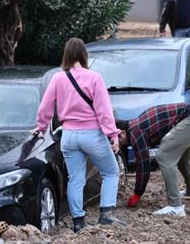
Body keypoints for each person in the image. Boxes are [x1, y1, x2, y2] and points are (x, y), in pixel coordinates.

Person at [33, 38, 124, 233]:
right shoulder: (94, 78)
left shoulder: (58, 78)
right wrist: (113, 134)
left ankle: (78, 221)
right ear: (84, 55)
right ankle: (106, 214)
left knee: (75, 179)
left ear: (66, 55)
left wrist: (41, 128)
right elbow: (104, 110)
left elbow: (45, 107)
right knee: (110, 171)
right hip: (92, 134)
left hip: (69, 136)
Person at [118, 104, 190, 217]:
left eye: (114, 139)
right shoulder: (136, 125)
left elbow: (143, 164)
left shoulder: (135, 133)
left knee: (164, 156)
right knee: (181, 156)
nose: (116, 144)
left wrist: (137, 193)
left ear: (122, 133)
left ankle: (175, 206)